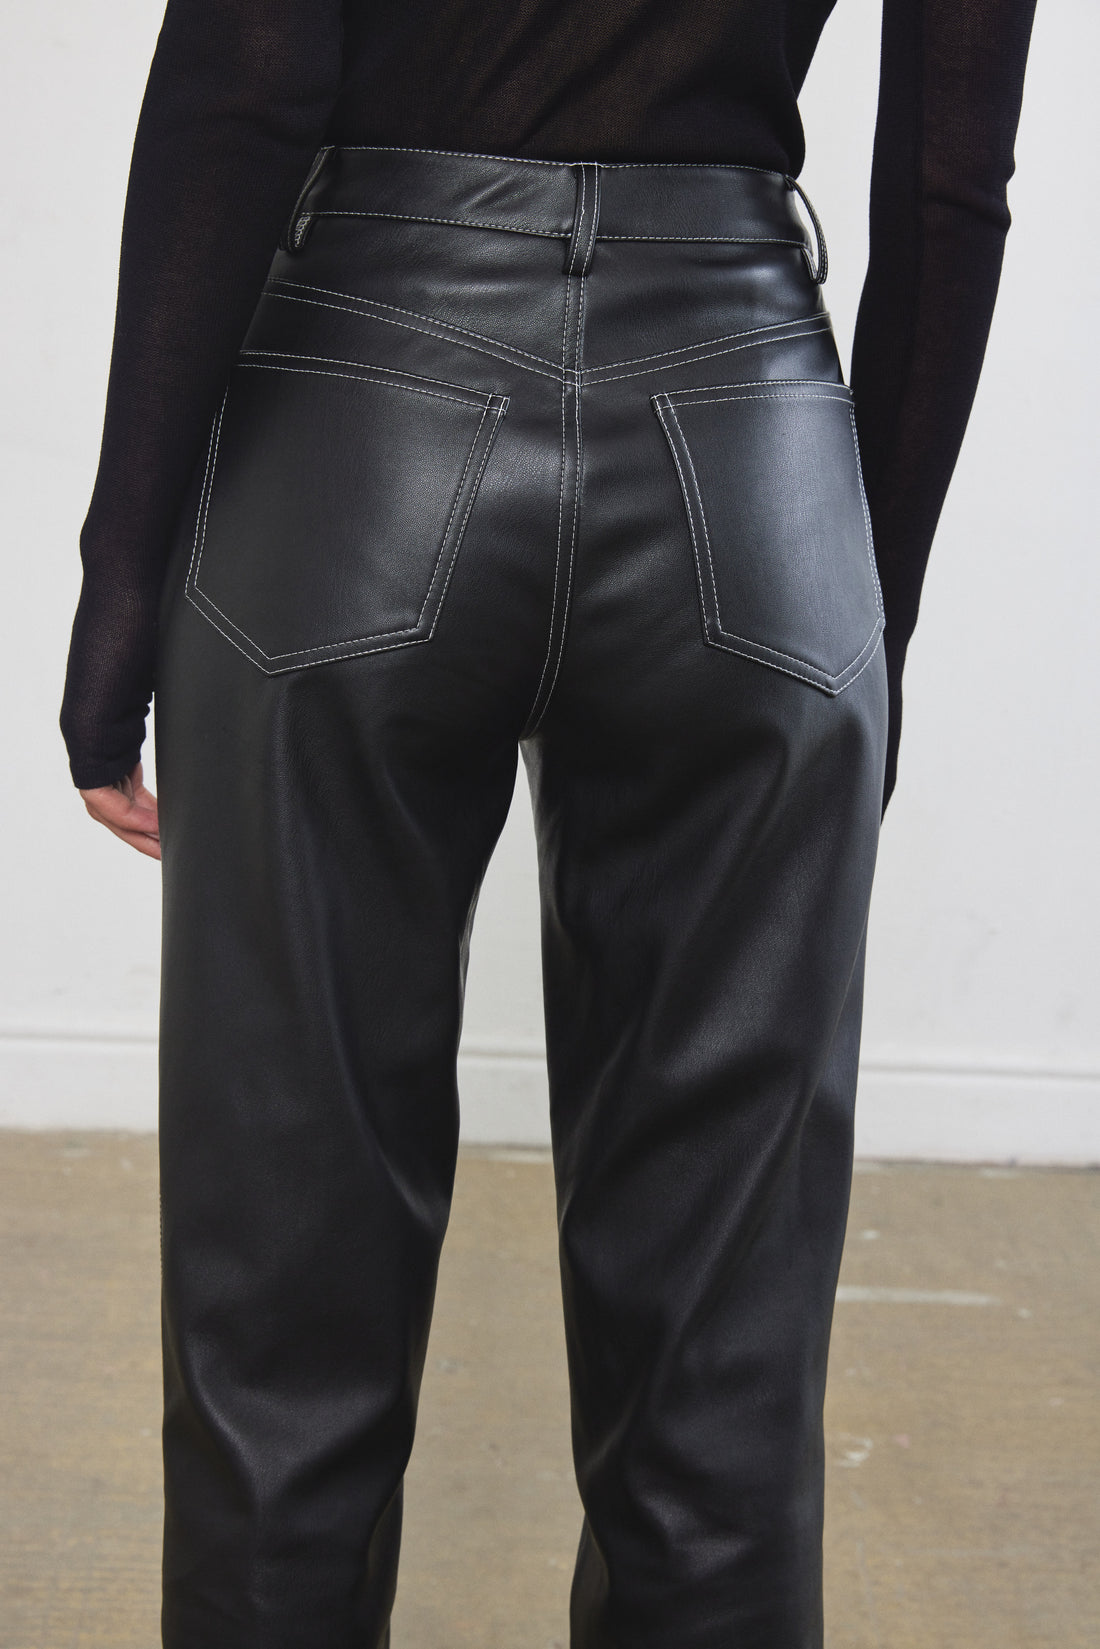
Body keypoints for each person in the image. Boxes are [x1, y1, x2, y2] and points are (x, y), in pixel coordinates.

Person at [58, 2, 1038, 1644]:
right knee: (720, 1415)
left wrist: (125, 573)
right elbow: (953, 177)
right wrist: (865, 615)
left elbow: (249, 74)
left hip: (357, 422)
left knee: (277, 1365)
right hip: (747, 450)